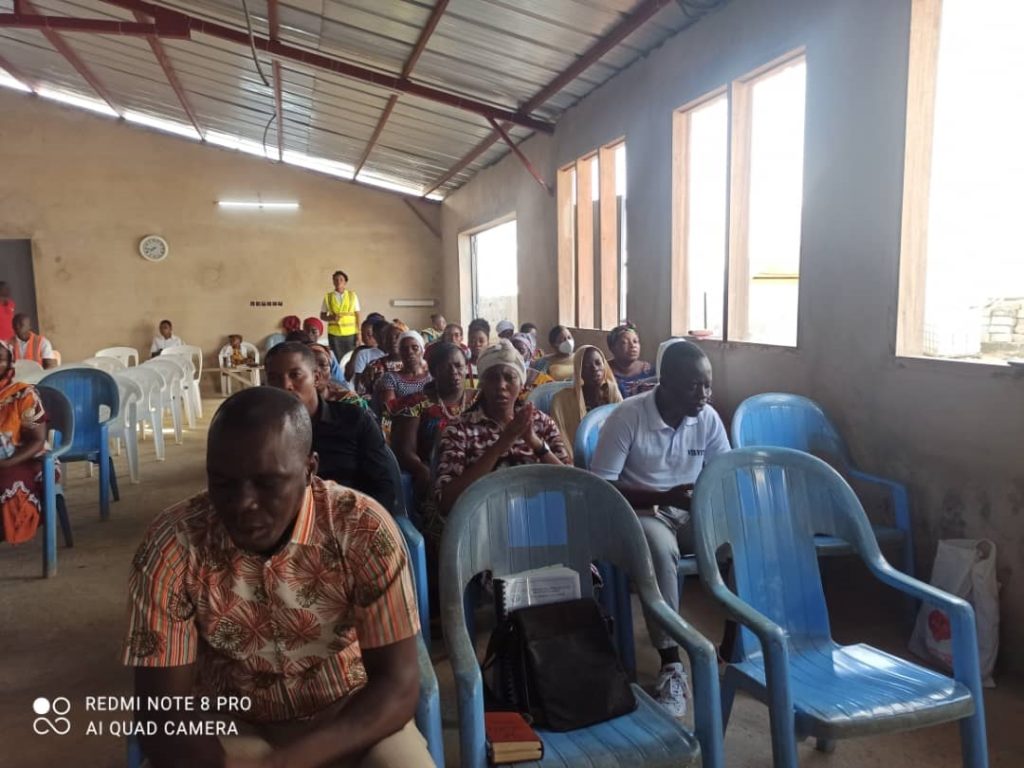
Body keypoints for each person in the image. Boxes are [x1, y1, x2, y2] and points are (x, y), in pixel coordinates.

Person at [122, 387, 429, 768]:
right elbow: (160, 712)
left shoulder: (362, 529)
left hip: (350, 715)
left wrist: (288, 762)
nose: (242, 503)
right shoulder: (173, 546)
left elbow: (397, 686)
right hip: (230, 723)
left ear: (309, 469)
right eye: (223, 483)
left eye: (267, 484)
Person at [589, 341, 730, 718]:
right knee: (660, 549)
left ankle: (733, 647)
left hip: (688, 510)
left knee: (736, 543)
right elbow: (601, 485)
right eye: (692, 386)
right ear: (664, 383)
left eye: (707, 385)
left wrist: (708, 502)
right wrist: (664, 494)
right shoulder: (628, 416)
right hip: (640, 512)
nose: (702, 395)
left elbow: (721, 475)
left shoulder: (708, 418)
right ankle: (671, 662)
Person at [434, 340, 569, 523]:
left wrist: (534, 442)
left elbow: (571, 484)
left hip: (541, 520)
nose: (501, 385)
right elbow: (446, 502)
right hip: (485, 525)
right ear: (482, 383)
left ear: (521, 384)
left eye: (509, 377)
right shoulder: (459, 429)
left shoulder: (541, 423)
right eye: (492, 378)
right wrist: (500, 445)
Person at [266, 342, 397, 514]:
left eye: (295, 375)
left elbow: (383, 487)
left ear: (316, 378)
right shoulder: (263, 431)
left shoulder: (354, 420)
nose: (285, 385)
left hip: (352, 522)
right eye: (274, 378)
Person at [0, 343, 52, 544]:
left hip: (23, 457)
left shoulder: (23, 395)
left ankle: (14, 528)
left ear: (9, 363)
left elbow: (37, 440)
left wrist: (6, 463)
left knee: (8, 486)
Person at [550, 345, 623, 462]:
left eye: (598, 363)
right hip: (576, 459)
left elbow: (622, 427)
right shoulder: (561, 400)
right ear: (579, 371)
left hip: (611, 455)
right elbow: (561, 437)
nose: (594, 368)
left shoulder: (612, 392)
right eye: (587, 366)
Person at [374, 331, 431, 415]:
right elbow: (389, 411)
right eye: (404, 349)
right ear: (399, 353)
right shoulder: (390, 378)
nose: (410, 352)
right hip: (403, 424)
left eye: (415, 348)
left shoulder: (432, 375)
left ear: (423, 351)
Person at [309, 343, 367, 409]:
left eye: (323, 365)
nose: (317, 371)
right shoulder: (298, 401)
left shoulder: (351, 402)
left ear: (330, 372)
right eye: (311, 365)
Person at [320, 269, 361, 360]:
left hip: (351, 334)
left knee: (350, 358)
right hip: (334, 334)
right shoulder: (328, 297)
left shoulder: (352, 296)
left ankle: (349, 375)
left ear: (345, 282)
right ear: (333, 282)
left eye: (341, 279)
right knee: (336, 358)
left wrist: (359, 334)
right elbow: (322, 316)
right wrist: (331, 317)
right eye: (336, 279)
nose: (338, 282)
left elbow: (357, 315)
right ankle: (338, 374)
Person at [607, 322, 655, 398]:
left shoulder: (648, 371)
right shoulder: (605, 372)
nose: (633, 346)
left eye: (635, 341)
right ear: (612, 348)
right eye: (624, 343)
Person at [361, 323, 403, 399]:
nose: (393, 341)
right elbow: (363, 395)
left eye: (397, 336)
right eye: (388, 338)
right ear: (384, 342)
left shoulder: (417, 366)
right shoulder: (375, 366)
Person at [351, 319, 390, 391]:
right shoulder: (364, 354)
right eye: (380, 334)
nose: (384, 338)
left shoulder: (396, 355)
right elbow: (358, 382)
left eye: (388, 334)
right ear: (375, 335)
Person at [510, 332, 553, 399]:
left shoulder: (545, 382)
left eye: (521, 351)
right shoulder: (503, 381)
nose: (516, 355)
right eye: (512, 351)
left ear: (530, 354)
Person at [465, 319, 490, 387]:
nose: (477, 344)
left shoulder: (492, 367)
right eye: (472, 340)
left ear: (488, 343)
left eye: (481, 341)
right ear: (468, 343)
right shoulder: (462, 367)